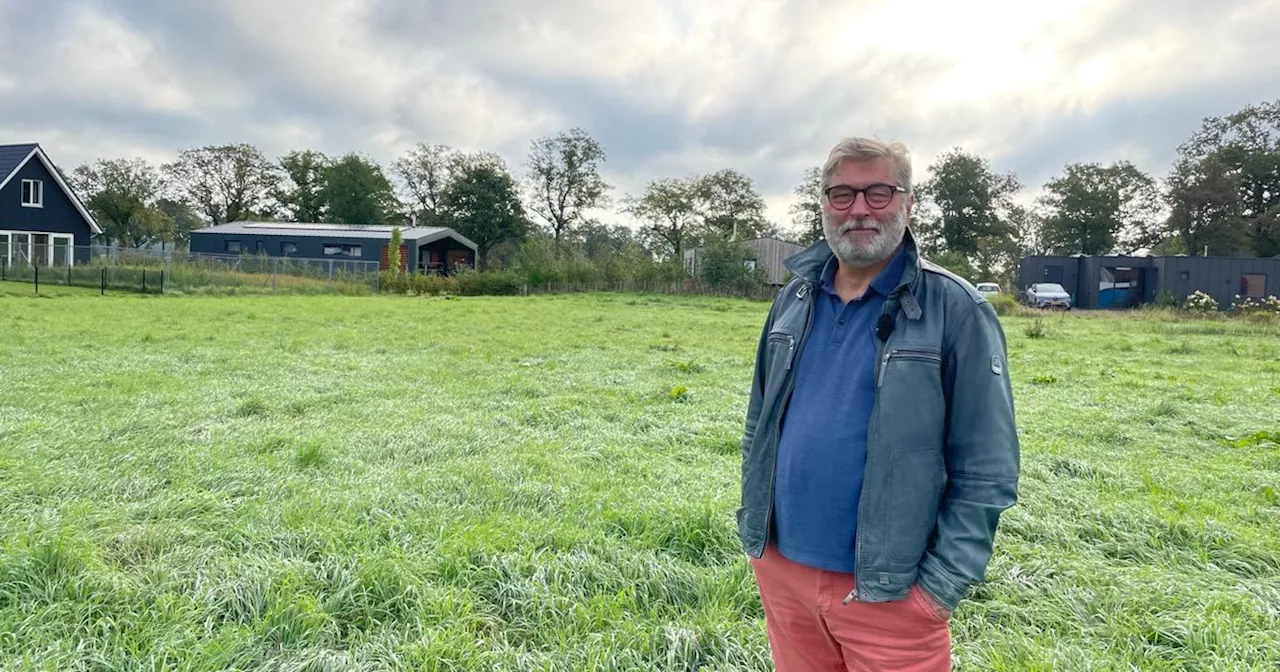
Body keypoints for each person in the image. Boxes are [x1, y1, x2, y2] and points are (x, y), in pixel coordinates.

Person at [737, 137, 1020, 671]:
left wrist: (937, 592)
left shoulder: (956, 309)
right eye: (841, 194)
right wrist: (760, 543)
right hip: (783, 575)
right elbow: (759, 424)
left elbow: (988, 470)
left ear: (908, 203)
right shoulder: (792, 299)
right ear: (822, 204)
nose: (859, 209)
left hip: (892, 594)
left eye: (878, 192)